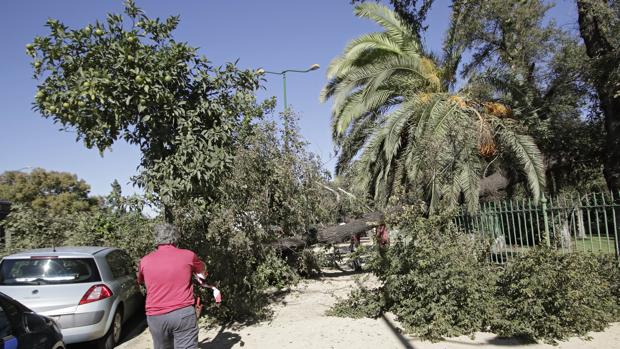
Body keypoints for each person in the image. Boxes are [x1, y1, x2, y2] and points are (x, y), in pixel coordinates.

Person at [137, 223, 206, 349]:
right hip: (183, 313)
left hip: (156, 316)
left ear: (156, 239)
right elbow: (202, 272)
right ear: (175, 238)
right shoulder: (188, 255)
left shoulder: (144, 261)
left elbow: (141, 281)